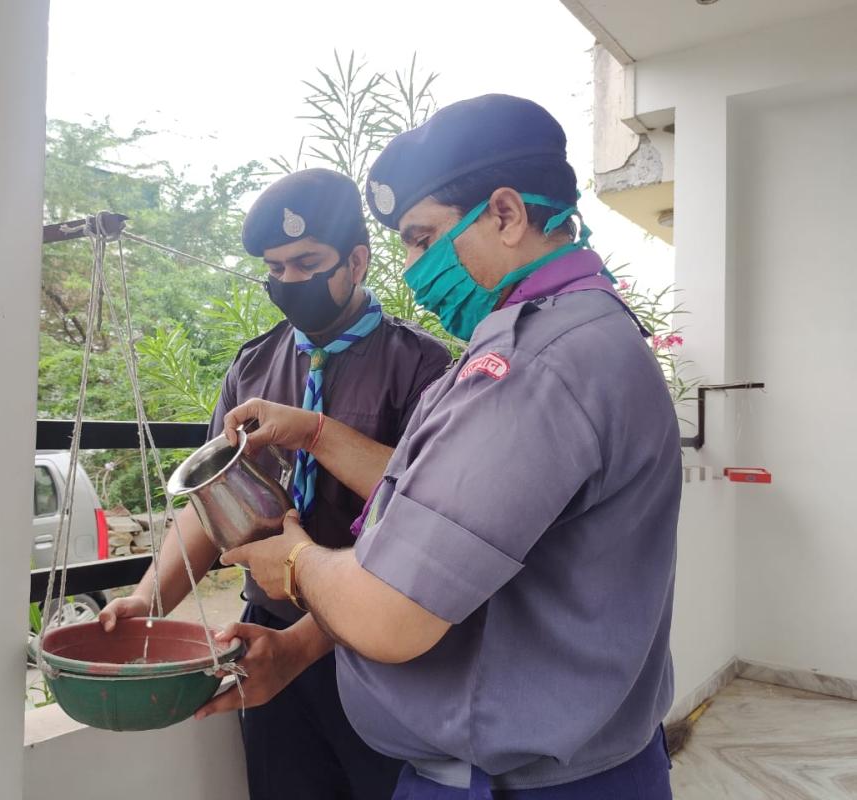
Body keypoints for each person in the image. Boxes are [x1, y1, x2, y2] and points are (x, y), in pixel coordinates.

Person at [219, 95, 680, 799]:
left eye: (420, 237)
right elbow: (446, 532)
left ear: (504, 213)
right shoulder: (574, 336)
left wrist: (295, 561)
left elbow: (390, 612)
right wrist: (298, 646)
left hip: (515, 783)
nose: (411, 267)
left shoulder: (534, 364)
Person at [100, 168, 453, 800]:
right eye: (275, 268)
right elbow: (208, 508)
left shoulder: (422, 367)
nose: (288, 281)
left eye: (306, 262)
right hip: (266, 645)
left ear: (357, 261)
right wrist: (148, 603)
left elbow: (431, 525)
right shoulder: (253, 365)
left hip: (378, 648)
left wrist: (304, 644)